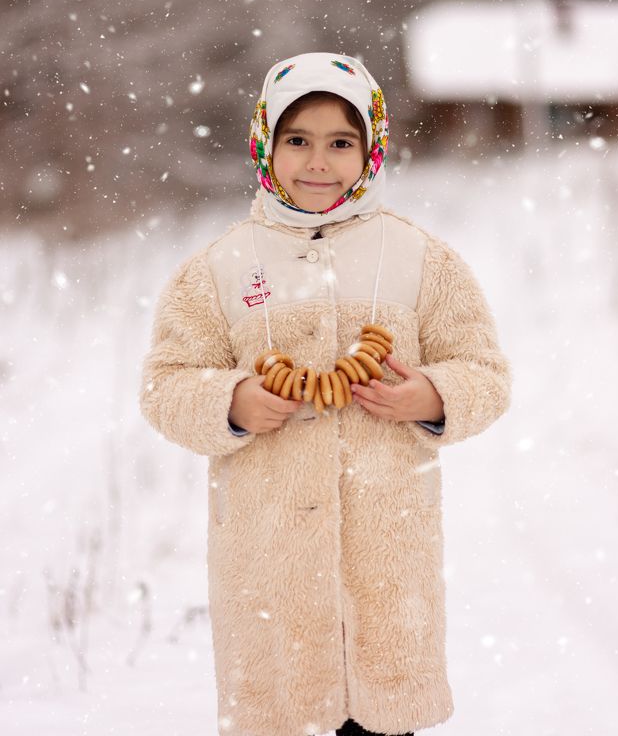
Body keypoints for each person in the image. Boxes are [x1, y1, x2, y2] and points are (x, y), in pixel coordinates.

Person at [140, 52, 511, 736]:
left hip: (387, 552)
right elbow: (165, 383)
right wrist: (230, 402)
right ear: (264, 144)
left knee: (380, 713)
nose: (318, 162)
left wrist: (430, 396)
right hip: (266, 558)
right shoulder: (219, 267)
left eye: (341, 143)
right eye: (297, 141)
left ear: (371, 147)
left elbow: (484, 371)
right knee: (282, 709)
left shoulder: (420, 258)